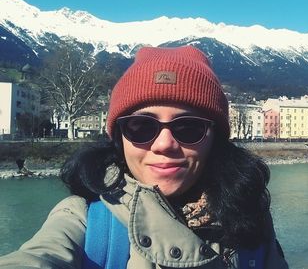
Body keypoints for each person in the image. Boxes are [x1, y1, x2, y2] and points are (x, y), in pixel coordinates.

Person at [0, 46, 288, 268]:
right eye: (141, 127)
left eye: (189, 127)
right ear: (119, 137)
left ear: (215, 139)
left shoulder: (250, 219)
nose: (164, 144)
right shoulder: (84, 221)